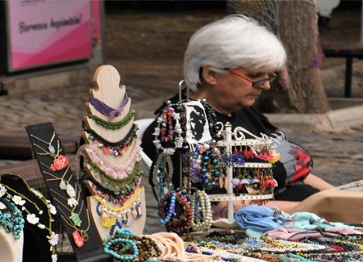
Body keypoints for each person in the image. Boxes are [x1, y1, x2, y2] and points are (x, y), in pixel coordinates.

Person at [142, 15, 333, 215]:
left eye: (268, 76)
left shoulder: (240, 108)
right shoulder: (183, 124)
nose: (266, 85)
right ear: (211, 74)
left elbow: (298, 173)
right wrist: (323, 208)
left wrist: (340, 198)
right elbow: (220, 208)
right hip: (257, 230)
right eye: (254, 77)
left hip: (304, 214)